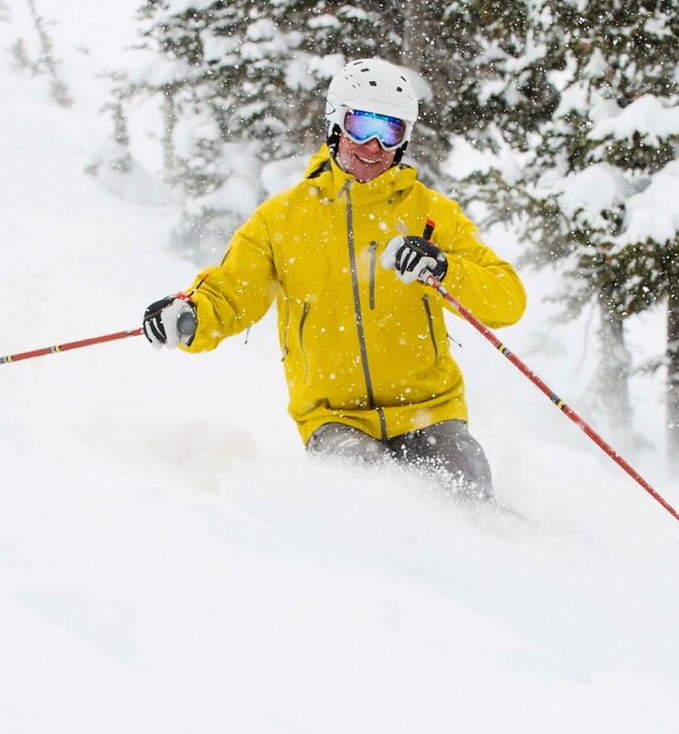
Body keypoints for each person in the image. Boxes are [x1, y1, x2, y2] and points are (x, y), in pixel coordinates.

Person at [142, 58, 526, 505]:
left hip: (429, 413)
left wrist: (444, 268)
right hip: (336, 419)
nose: (374, 145)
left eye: (392, 131)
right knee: (367, 496)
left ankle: (511, 561)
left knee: (467, 493)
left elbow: (507, 301)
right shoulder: (282, 219)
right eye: (361, 124)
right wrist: (190, 314)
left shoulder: (430, 216)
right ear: (335, 122)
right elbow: (230, 294)